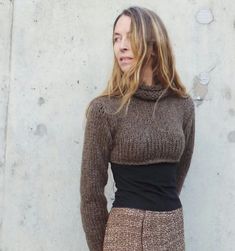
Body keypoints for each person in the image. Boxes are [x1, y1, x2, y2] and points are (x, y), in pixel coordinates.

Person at [80, 5, 195, 251]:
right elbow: (91, 194)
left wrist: (161, 219)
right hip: (125, 235)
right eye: (116, 38)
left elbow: (179, 172)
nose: (120, 46)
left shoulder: (182, 105)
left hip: (172, 230)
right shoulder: (105, 109)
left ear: (154, 45)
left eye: (129, 37)